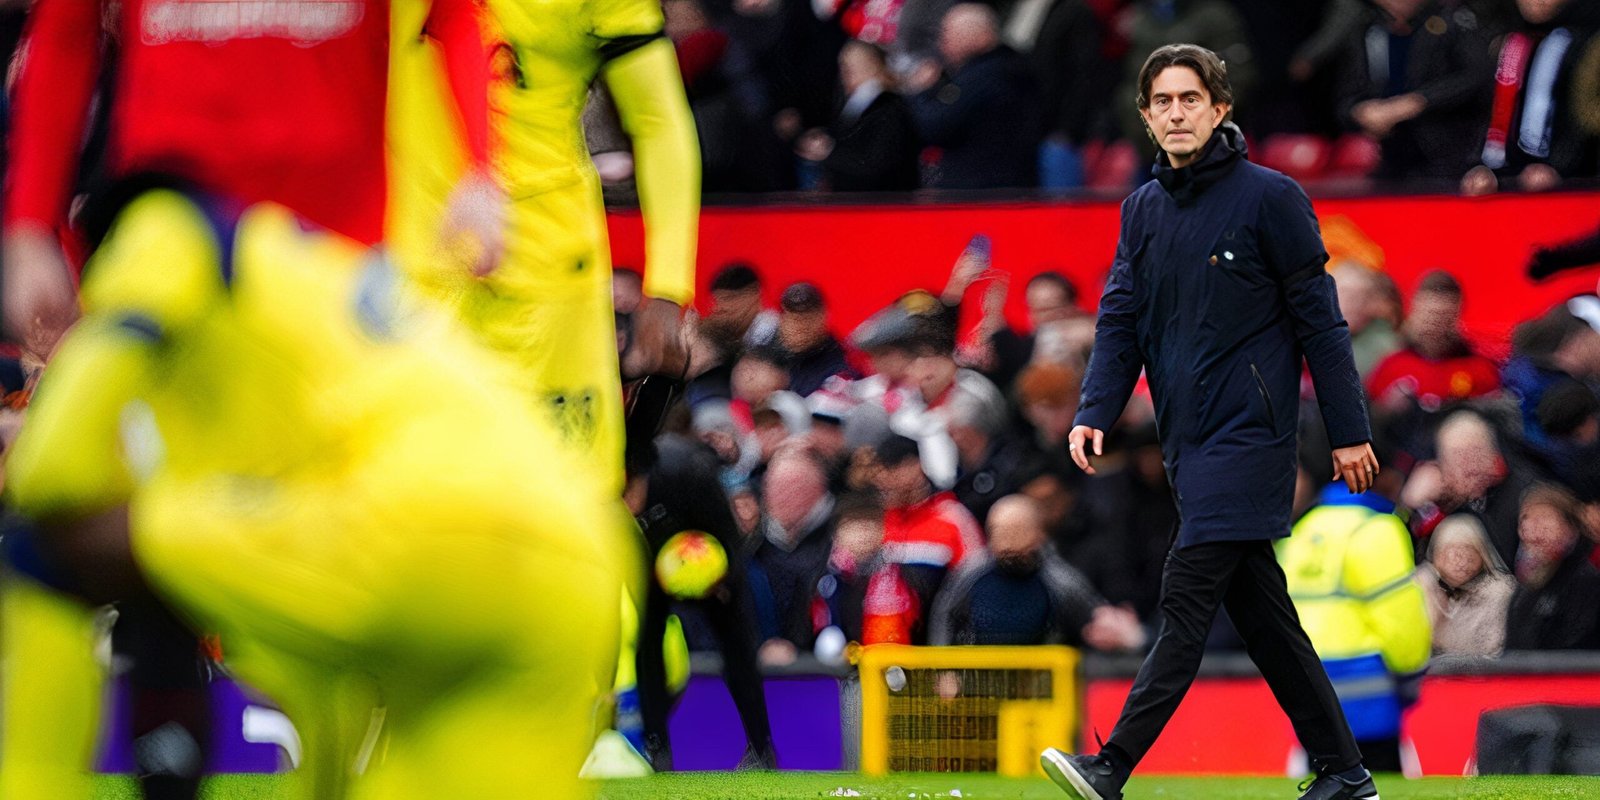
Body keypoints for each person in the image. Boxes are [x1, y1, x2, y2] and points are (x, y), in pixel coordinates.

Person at [2, 187, 624, 800]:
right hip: (575, 556)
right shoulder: (313, 284)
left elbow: (50, 471)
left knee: (54, 545)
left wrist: (65, 499)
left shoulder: (165, 225)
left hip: (421, 522)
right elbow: (320, 681)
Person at [1040, 45, 1381, 800]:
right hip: (1187, 445)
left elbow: (1322, 325)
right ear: (1145, 116)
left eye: (1190, 99)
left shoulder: (1272, 198)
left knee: (1186, 598)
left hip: (1253, 438)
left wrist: (1348, 430)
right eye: (1162, 101)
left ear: (1220, 109)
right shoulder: (1141, 210)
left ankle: (1111, 766)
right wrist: (1095, 409)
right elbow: (1120, 318)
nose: (1176, 113)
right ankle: (1346, 774)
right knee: (1266, 621)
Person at [1278, 477, 1432, 773]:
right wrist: (1411, 675)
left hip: (1311, 697)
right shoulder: (1376, 529)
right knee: (1377, 788)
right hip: (1371, 701)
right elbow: (1401, 621)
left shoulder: (1303, 530)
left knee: (1322, 785)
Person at [929, 495, 1146, 651]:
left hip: (1044, 686)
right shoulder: (971, 574)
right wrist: (943, 668)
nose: (1008, 542)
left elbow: (1096, 618)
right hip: (981, 683)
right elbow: (944, 617)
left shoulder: (1059, 580)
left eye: (1017, 532)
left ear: (1038, 534)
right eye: (999, 532)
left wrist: (1128, 637)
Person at [906, 3, 1043, 189]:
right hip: (1004, 183)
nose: (943, 43)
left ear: (981, 35)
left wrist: (922, 92)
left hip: (981, 190)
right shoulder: (1010, 66)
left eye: (950, 34)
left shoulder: (986, 76)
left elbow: (934, 125)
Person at [797, 39, 921, 192]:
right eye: (843, 68)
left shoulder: (889, 107)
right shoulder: (854, 105)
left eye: (851, 68)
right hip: (856, 196)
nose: (844, 75)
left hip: (882, 198)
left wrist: (829, 152)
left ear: (872, 66)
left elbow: (877, 161)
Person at [1503, 484, 1600, 650]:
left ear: (1569, 527)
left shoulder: (1586, 580)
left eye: (1543, 519)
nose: (1533, 530)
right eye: (1525, 519)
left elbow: (1574, 647)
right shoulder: (1528, 581)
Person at [1414, 514, 1515, 657]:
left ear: (1482, 554)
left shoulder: (1498, 592)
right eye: (1450, 552)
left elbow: (1490, 650)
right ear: (1435, 556)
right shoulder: (1428, 586)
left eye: (1468, 550)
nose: (1460, 562)